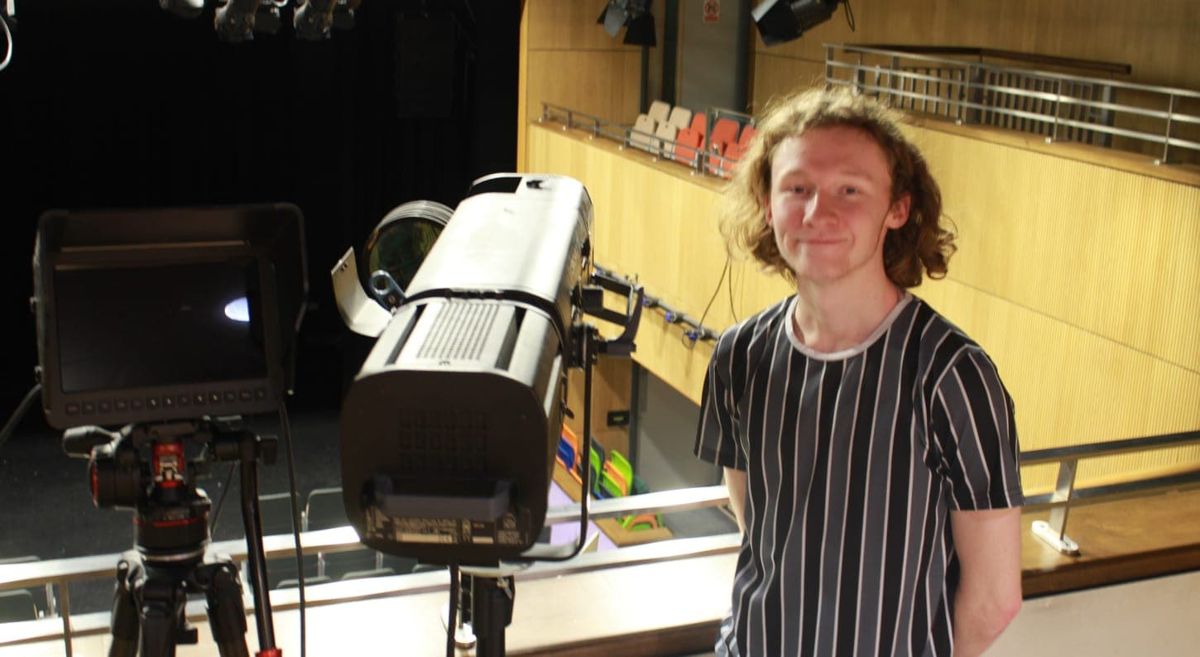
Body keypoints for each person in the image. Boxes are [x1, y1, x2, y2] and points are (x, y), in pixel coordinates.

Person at [694, 87, 1024, 657]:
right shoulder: (739, 354)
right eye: (797, 188)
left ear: (897, 208)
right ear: (768, 203)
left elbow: (996, 598)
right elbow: (760, 527)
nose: (817, 213)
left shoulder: (951, 375)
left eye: (850, 190)